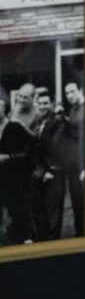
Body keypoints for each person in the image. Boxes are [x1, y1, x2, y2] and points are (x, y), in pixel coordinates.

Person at [29, 92, 67, 241]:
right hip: (40, 169)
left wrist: (49, 169)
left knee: (54, 208)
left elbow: (57, 148)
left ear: (51, 104)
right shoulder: (38, 120)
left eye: (46, 103)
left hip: (53, 170)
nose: (43, 106)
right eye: (40, 103)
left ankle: (53, 242)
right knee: (40, 207)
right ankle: (44, 238)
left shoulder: (58, 121)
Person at [0, 96, 35, 245]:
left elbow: (27, 151)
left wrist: (8, 157)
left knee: (17, 206)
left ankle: (27, 236)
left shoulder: (15, 127)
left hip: (13, 176)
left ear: (4, 109)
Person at [62, 81, 85, 236]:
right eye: (67, 93)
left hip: (83, 162)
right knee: (76, 198)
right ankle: (79, 231)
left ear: (79, 90)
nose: (69, 95)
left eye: (72, 91)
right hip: (73, 162)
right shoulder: (73, 109)